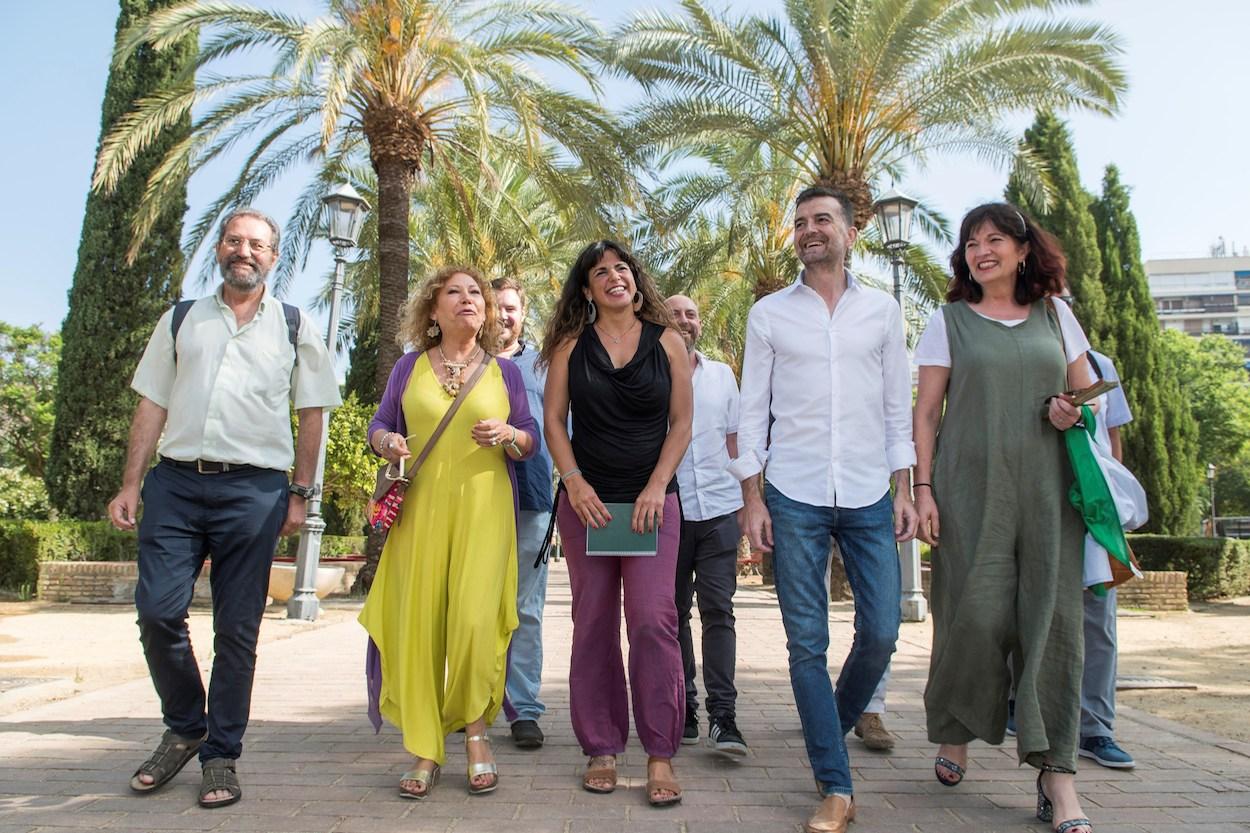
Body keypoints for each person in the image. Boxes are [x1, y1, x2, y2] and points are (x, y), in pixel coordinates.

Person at [108, 208, 341, 808]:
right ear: (220, 250)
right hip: (177, 485)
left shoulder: (294, 325)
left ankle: (221, 756)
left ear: (274, 257)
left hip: (255, 492)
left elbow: (312, 412)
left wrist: (300, 492)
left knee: (237, 632)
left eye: (257, 244)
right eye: (235, 241)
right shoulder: (182, 319)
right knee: (158, 613)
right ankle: (186, 724)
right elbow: (152, 404)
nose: (245, 251)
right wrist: (131, 483)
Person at [730, 186, 917, 833]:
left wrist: (906, 486)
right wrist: (751, 497)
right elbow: (751, 411)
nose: (810, 230)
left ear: (849, 232)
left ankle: (829, 723)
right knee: (806, 642)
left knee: (884, 630)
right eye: (801, 222)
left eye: (822, 220)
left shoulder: (884, 312)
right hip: (793, 491)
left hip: (869, 490)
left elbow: (899, 406)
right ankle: (834, 784)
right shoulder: (770, 315)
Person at [913, 203, 1097, 833]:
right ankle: (958, 730)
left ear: (1024, 250)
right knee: (974, 616)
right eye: (970, 242)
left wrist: (1071, 412)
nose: (980, 249)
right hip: (970, 492)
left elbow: (1086, 394)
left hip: (1050, 494)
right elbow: (926, 413)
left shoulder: (1058, 314)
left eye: (995, 239)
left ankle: (1059, 778)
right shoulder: (949, 322)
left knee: (1054, 629)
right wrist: (925, 488)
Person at [360, 266, 538, 800]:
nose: (468, 300)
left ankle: (477, 733)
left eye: (476, 294)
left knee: (475, 624)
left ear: (486, 312)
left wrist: (509, 434)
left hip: (486, 515)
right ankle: (425, 747)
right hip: (421, 515)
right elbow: (377, 425)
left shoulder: (503, 373)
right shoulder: (409, 367)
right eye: (453, 293)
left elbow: (529, 438)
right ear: (432, 311)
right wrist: (387, 440)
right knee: (419, 626)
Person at [541, 240, 693, 806]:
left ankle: (659, 753)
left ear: (635, 279)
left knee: (654, 621)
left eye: (621, 268)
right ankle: (601, 746)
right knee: (594, 623)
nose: (613, 277)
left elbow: (681, 424)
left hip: (653, 504)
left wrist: (656, 486)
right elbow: (555, 422)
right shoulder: (569, 347)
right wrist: (575, 482)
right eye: (600, 273)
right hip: (588, 508)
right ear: (586, 290)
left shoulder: (669, 342)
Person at [665, 293, 748, 756]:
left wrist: (749, 501)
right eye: (675, 314)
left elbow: (735, 440)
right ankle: (686, 710)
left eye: (691, 314)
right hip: (669, 512)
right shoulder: (651, 375)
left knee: (719, 610)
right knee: (673, 614)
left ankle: (725, 717)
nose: (684, 321)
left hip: (719, 508)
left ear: (700, 323)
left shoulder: (722, 377)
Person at [492, 276, 554, 750]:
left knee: (525, 611)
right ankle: (470, 702)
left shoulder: (545, 364)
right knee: (468, 606)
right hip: (470, 502)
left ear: (523, 314)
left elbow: (566, 427)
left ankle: (523, 709)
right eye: (495, 306)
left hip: (532, 500)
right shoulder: (461, 362)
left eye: (511, 307)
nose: (503, 315)